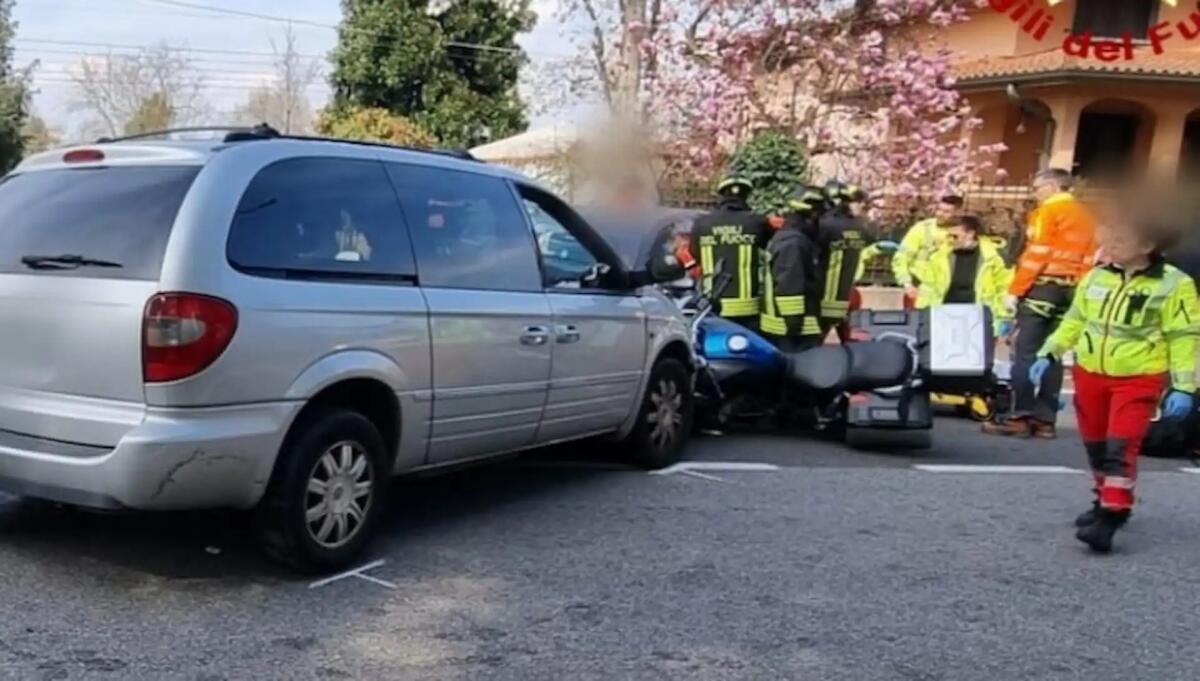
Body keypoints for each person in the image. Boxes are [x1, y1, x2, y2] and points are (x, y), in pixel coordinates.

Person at [1030, 213, 1199, 553]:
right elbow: (1075, 320)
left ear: (1147, 246)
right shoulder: (1096, 277)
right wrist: (1049, 352)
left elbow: (1184, 336)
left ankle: (1112, 514)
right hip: (1090, 373)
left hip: (1138, 377)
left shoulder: (1174, 284)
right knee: (1095, 445)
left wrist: (1184, 386)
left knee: (1121, 446)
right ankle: (1103, 497)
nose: (1109, 245)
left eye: (1121, 240)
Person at [984, 169, 1096, 439]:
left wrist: (1015, 290)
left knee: (1024, 352)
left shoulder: (1048, 212)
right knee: (1053, 353)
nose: (1035, 194)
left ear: (1052, 186)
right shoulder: (1088, 216)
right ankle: (1045, 421)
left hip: (1042, 288)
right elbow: (1091, 258)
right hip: (1071, 290)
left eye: (1037, 188)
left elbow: (1037, 254)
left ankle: (1019, 415)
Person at [687, 175, 772, 329]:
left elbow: (694, 254)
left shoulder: (702, 223)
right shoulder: (756, 222)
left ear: (722, 195)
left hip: (711, 305)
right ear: (746, 195)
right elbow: (768, 248)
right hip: (747, 309)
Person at [914, 215, 1011, 334]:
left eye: (955, 236)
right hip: (945, 315)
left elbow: (1004, 289)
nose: (950, 240)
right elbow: (928, 287)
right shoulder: (939, 256)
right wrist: (921, 314)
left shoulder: (994, 257)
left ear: (970, 234)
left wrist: (1004, 317)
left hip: (980, 317)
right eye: (948, 236)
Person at [761, 186, 824, 352]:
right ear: (812, 215)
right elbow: (789, 286)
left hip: (785, 328)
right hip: (793, 332)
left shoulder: (790, 238)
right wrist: (793, 324)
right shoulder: (794, 243)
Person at [814, 182, 869, 341]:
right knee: (851, 347)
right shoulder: (859, 227)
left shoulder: (823, 225)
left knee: (811, 347)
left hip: (824, 299)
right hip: (848, 295)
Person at [892, 195, 965, 300]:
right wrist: (907, 284)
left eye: (946, 212)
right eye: (939, 209)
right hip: (920, 290)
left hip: (951, 292)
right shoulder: (922, 228)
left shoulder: (965, 232)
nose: (939, 214)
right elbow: (901, 257)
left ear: (958, 212)